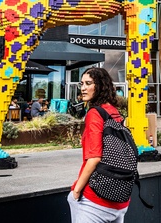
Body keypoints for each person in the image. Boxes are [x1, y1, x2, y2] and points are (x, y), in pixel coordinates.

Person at [69, 67, 130, 223]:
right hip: (119, 197)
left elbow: (95, 157)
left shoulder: (95, 114)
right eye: (81, 83)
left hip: (95, 201)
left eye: (88, 83)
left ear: (100, 86)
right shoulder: (113, 111)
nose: (83, 88)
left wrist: (76, 190)